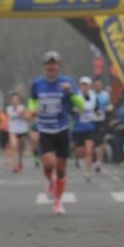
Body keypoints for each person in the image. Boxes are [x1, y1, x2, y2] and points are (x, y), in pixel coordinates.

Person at [28, 51, 85, 215]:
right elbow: (32, 100)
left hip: (62, 129)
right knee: (48, 164)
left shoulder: (67, 82)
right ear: (45, 66)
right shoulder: (37, 84)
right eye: (48, 63)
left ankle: (58, 202)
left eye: (54, 63)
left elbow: (81, 105)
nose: (51, 66)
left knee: (61, 169)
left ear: (58, 65)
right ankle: (50, 182)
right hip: (45, 129)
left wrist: (71, 93)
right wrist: (32, 110)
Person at [73, 76, 99, 179]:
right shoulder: (75, 96)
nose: (85, 87)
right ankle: (79, 159)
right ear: (80, 86)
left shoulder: (94, 96)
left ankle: (87, 171)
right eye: (83, 84)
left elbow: (96, 108)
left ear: (90, 86)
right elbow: (72, 108)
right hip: (78, 127)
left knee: (89, 150)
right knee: (80, 151)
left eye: (86, 84)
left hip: (90, 126)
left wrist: (100, 112)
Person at [5, 92, 29, 173]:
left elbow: (28, 118)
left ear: (19, 101)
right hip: (13, 130)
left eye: (16, 100)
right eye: (13, 100)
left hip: (22, 130)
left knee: (21, 148)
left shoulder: (22, 108)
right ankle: (15, 165)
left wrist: (23, 115)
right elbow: (9, 119)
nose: (14, 101)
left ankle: (20, 162)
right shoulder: (8, 109)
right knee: (14, 146)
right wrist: (6, 125)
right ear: (11, 101)